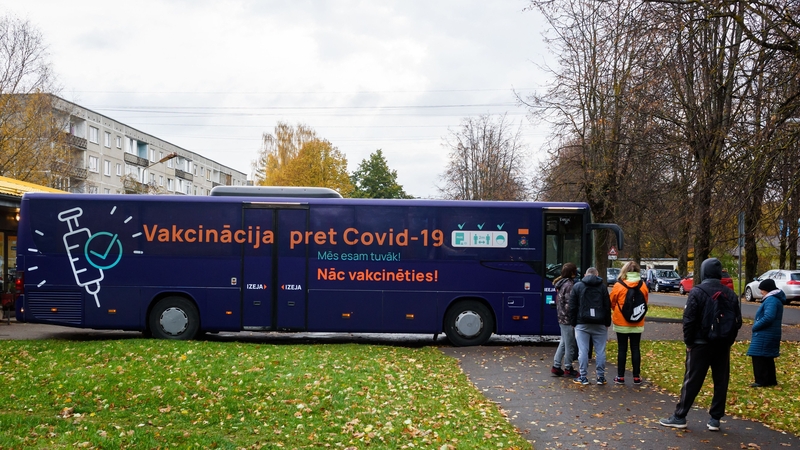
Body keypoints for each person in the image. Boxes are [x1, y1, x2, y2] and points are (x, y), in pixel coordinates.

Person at [660, 257, 742, 432]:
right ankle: (715, 418)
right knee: (721, 381)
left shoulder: (697, 292)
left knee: (692, 380)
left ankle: (680, 415)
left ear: (703, 271)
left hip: (700, 343)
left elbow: (688, 320)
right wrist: (728, 341)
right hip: (722, 344)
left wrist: (689, 341)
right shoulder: (730, 294)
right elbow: (737, 321)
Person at [569, 267, 612, 385]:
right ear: (597, 275)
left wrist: (573, 322)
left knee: (583, 351)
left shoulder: (578, 286)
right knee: (600, 351)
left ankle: (583, 376)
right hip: (600, 323)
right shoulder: (602, 287)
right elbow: (607, 306)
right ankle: (600, 377)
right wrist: (607, 322)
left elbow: (572, 307)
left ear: (585, 275)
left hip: (582, 323)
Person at [609, 261, 648, 385]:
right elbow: (645, 302)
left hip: (621, 322)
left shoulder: (618, 285)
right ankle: (636, 376)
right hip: (637, 322)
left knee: (622, 349)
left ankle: (620, 377)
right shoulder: (643, 285)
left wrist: (618, 310)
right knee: (635, 348)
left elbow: (612, 302)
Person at [746, 278, 785, 388]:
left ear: (767, 290)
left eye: (762, 290)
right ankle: (771, 380)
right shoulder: (774, 299)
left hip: (765, 333)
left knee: (759, 356)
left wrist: (755, 326)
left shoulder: (771, 300)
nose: (761, 292)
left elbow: (769, 317)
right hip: (770, 333)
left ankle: (761, 380)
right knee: (767, 357)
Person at [551, 263, 580, 378]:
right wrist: (574, 319)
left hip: (561, 318)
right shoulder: (569, 285)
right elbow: (570, 304)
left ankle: (556, 365)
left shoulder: (562, 284)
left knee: (563, 342)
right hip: (567, 319)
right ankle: (568, 367)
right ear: (572, 272)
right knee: (570, 344)